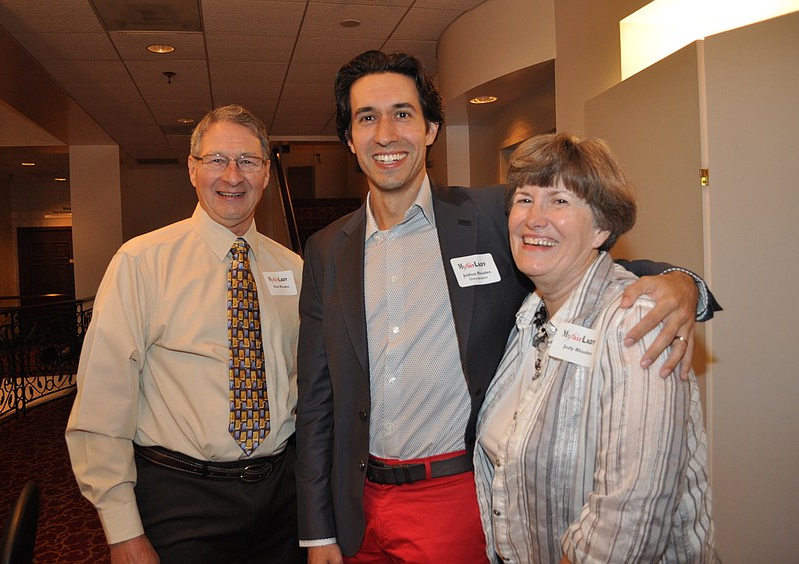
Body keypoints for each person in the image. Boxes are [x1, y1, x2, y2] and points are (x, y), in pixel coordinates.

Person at [295, 50, 715, 563]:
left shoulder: (497, 214)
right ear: (349, 139)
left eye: (403, 113)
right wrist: (318, 535)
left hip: (456, 498)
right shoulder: (323, 251)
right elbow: (317, 402)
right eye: (367, 118)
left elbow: (586, 255)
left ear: (430, 129)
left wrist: (683, 282)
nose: (386, 133)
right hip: (357, 508)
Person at [65, 104, 305, 563]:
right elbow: (101, 402)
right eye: (217, 159)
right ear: (193, 169)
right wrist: (122, 532)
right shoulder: (141, 263)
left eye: (248, 161)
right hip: (181, 501)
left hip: (281, 500)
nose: (232, 176)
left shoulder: (292, 269)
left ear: (266, 173)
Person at [474, 132, 715, 562]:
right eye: (525, 199)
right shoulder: (529, 316)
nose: (534, 218)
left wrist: (686, 282)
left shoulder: (634, 319)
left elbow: (630, 519)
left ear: (602, 227)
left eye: (560, 201)